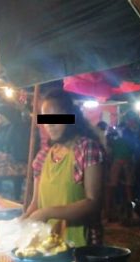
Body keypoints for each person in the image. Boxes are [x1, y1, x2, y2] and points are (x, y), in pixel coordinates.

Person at [24, 89, 105, 247]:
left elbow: (93, 202)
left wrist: (47, 212)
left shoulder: (86, 148)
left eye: (57, 117)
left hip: (80, 243)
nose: (50, 124)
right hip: (47, 243)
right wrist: (23, 221)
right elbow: (35, 203)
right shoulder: (43, 156)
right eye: (45, 118)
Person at [105, 125, 134, 222]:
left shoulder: (115, 141)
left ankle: (108, 210)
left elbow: (111, 154)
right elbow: (132, 153)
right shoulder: (129, 141)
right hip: (127, 162)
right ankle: (130, 206)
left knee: (111, 186)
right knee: (128, 186)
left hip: (117, 161)